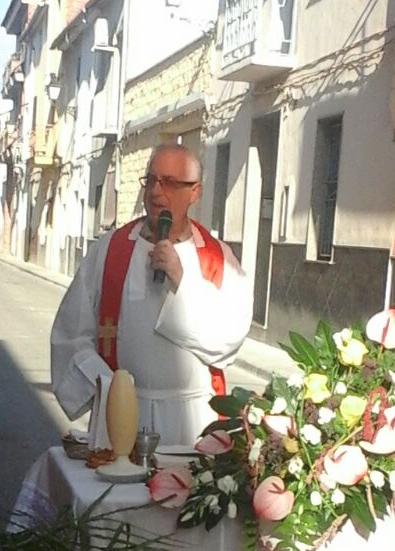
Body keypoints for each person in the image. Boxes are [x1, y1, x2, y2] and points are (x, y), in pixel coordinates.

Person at [50, 143, 252, 446]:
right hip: (121, 414)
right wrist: (107, 386)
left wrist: (182, 279)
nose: (157, 192)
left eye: (170, 182)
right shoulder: (110, 250)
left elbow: (228, 339)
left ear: (194, 192)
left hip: (194, 418)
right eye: (151, 180)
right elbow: (71, 331)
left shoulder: (217, 259)